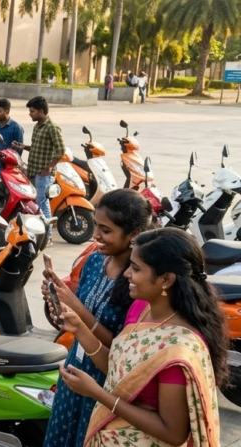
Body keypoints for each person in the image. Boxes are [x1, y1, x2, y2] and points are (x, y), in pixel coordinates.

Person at [58, 228, 227, 447]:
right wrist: (79, 329)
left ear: (165, 279)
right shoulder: (140, 308)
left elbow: (173, 433)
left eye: (136, 268)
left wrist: (97, 393)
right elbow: (122, 370)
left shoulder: (178, 350)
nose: (126, 274)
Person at [39, 189, 154, 447]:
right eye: (95, 226)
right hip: (75, 369)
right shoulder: (93, 261)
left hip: (103, 382)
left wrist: (77, 309)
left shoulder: (138, 281)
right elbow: (74, 319)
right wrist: (58, 303)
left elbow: (121, 348)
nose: (96, 235)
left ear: (133, 234)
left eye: (106, 230)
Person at [12, 96, 64, 240]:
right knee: (36, 205)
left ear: (41, 111)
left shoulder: (52, 127)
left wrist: (49, 168)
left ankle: (47, 236)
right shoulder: (38, 126)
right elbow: (38, 147)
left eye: (32, 111)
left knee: (42, 204)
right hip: (33, 171)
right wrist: (24, 147)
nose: (30, 114)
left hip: (44, 174)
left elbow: (61, 151)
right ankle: (39, 233)